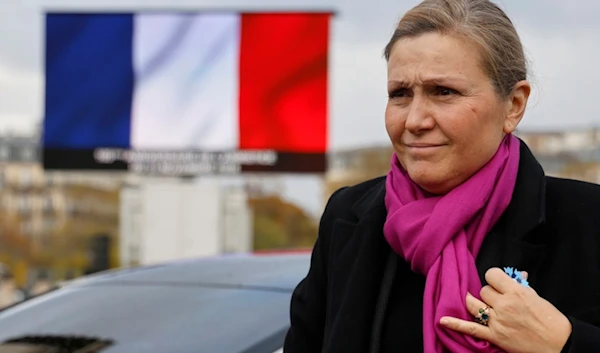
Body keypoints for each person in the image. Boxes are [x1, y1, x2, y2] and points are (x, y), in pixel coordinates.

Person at [283, 0, 600, 352]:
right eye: (400, 94)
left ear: (514, 105)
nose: (415, 120)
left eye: (444, 92)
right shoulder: (350, 216)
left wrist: (564, 344)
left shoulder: (588, 221)